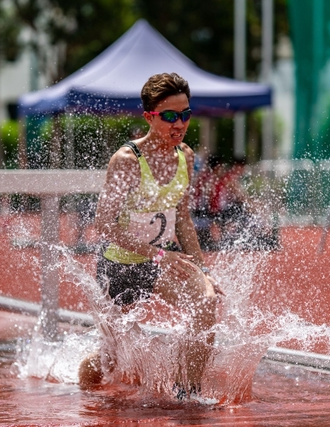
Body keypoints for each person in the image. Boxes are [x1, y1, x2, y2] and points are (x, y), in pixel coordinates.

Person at [78, 72, 224, 394]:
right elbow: (103, 224)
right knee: (109, 363)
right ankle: (83, 398)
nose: (179, 124)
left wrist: (202, 269)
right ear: (149, 117)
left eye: (185, 114)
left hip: (158, 263)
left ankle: (189, 392)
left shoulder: (184, 156)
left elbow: (183, 218)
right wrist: (160, 254)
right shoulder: (127, 160)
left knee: (205, 302)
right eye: (170, 116)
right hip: (119, 266)